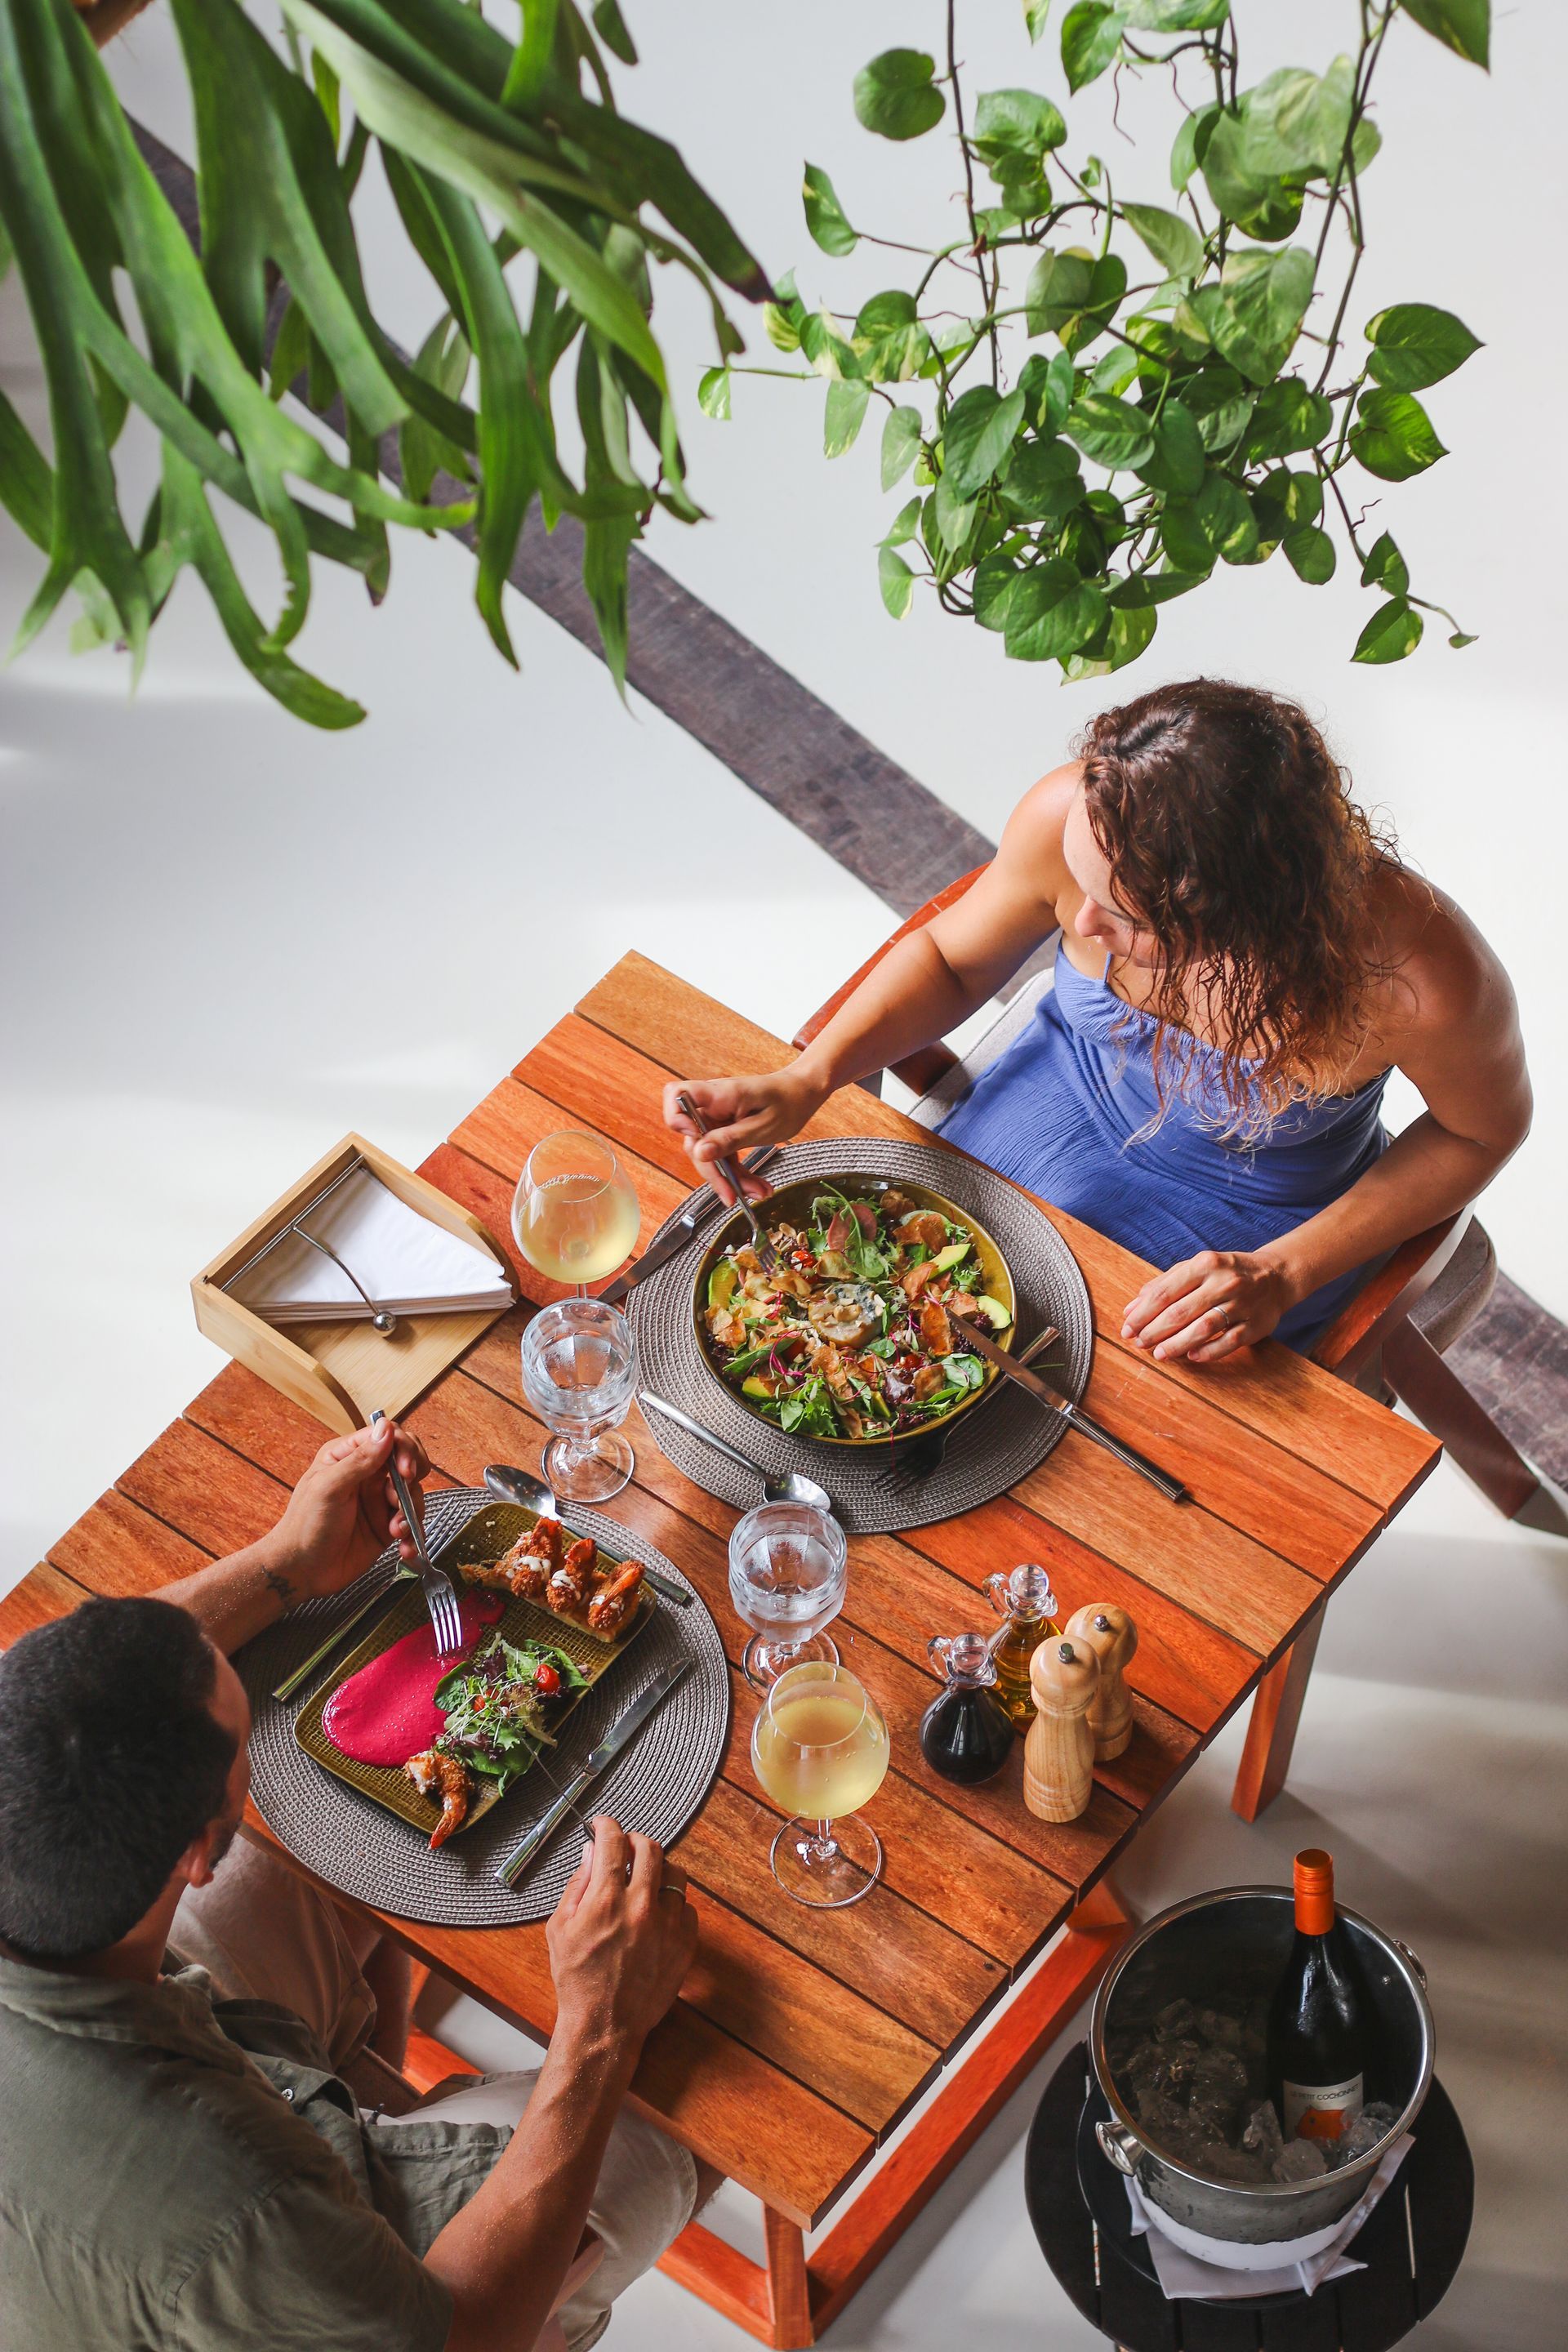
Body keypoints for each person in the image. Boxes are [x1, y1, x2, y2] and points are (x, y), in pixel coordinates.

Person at [0, 1417, 709, 2352]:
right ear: (193, 1854)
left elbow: (100, 1681)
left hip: (110, 2069)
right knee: (667, 2132)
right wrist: (597, 2026)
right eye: (241, 1739)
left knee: (317, 1850)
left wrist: (287, 1564)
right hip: (307, 2278)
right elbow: (460, 2337)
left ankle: (354, 2047)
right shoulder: (243, 2207)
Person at [664, 678, 1530, 1358]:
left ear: (1251, 922)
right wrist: (809, 1076)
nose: (1079, 927)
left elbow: (1480, 1132)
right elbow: (953, 956)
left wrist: (1281, 1273)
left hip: (1256, 1229)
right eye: (1081, 884)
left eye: (1126, 919)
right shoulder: (1073, 809)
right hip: (1045, 1111)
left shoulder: (1419, 974)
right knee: (857, 1332)